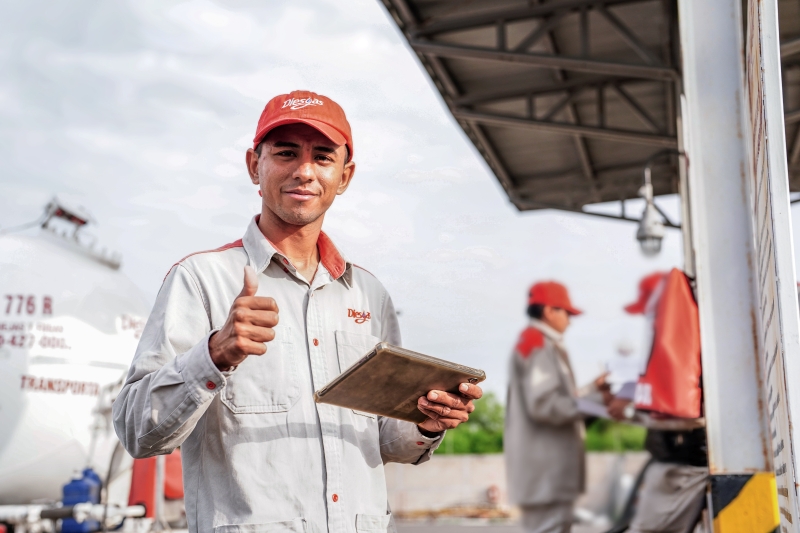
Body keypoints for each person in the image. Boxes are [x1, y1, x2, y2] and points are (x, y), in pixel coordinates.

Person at [112, 90, 483, 533]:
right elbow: (137, 431)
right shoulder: (201, 280)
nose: (304, 171)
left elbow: (384, 442)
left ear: (344, 176)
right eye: (286, 153)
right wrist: (213, 356)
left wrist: (425, 422)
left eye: (322, 157)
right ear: (255, 165)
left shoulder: (368, 295)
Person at [603, 272, 707, 533]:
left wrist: (627, 405)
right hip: (672, 458)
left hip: (682, 460)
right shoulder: (679, 335)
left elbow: (679, 405)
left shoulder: (680, 334)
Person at [505, 281, 585, 533]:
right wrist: (592, 404)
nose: (570, 321)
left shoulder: (539, 342)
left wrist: (593, 393)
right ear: (550, 311)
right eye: (567, 313)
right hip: (547, 474)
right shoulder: (536, 342)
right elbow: (545, 405)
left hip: (548, 474)